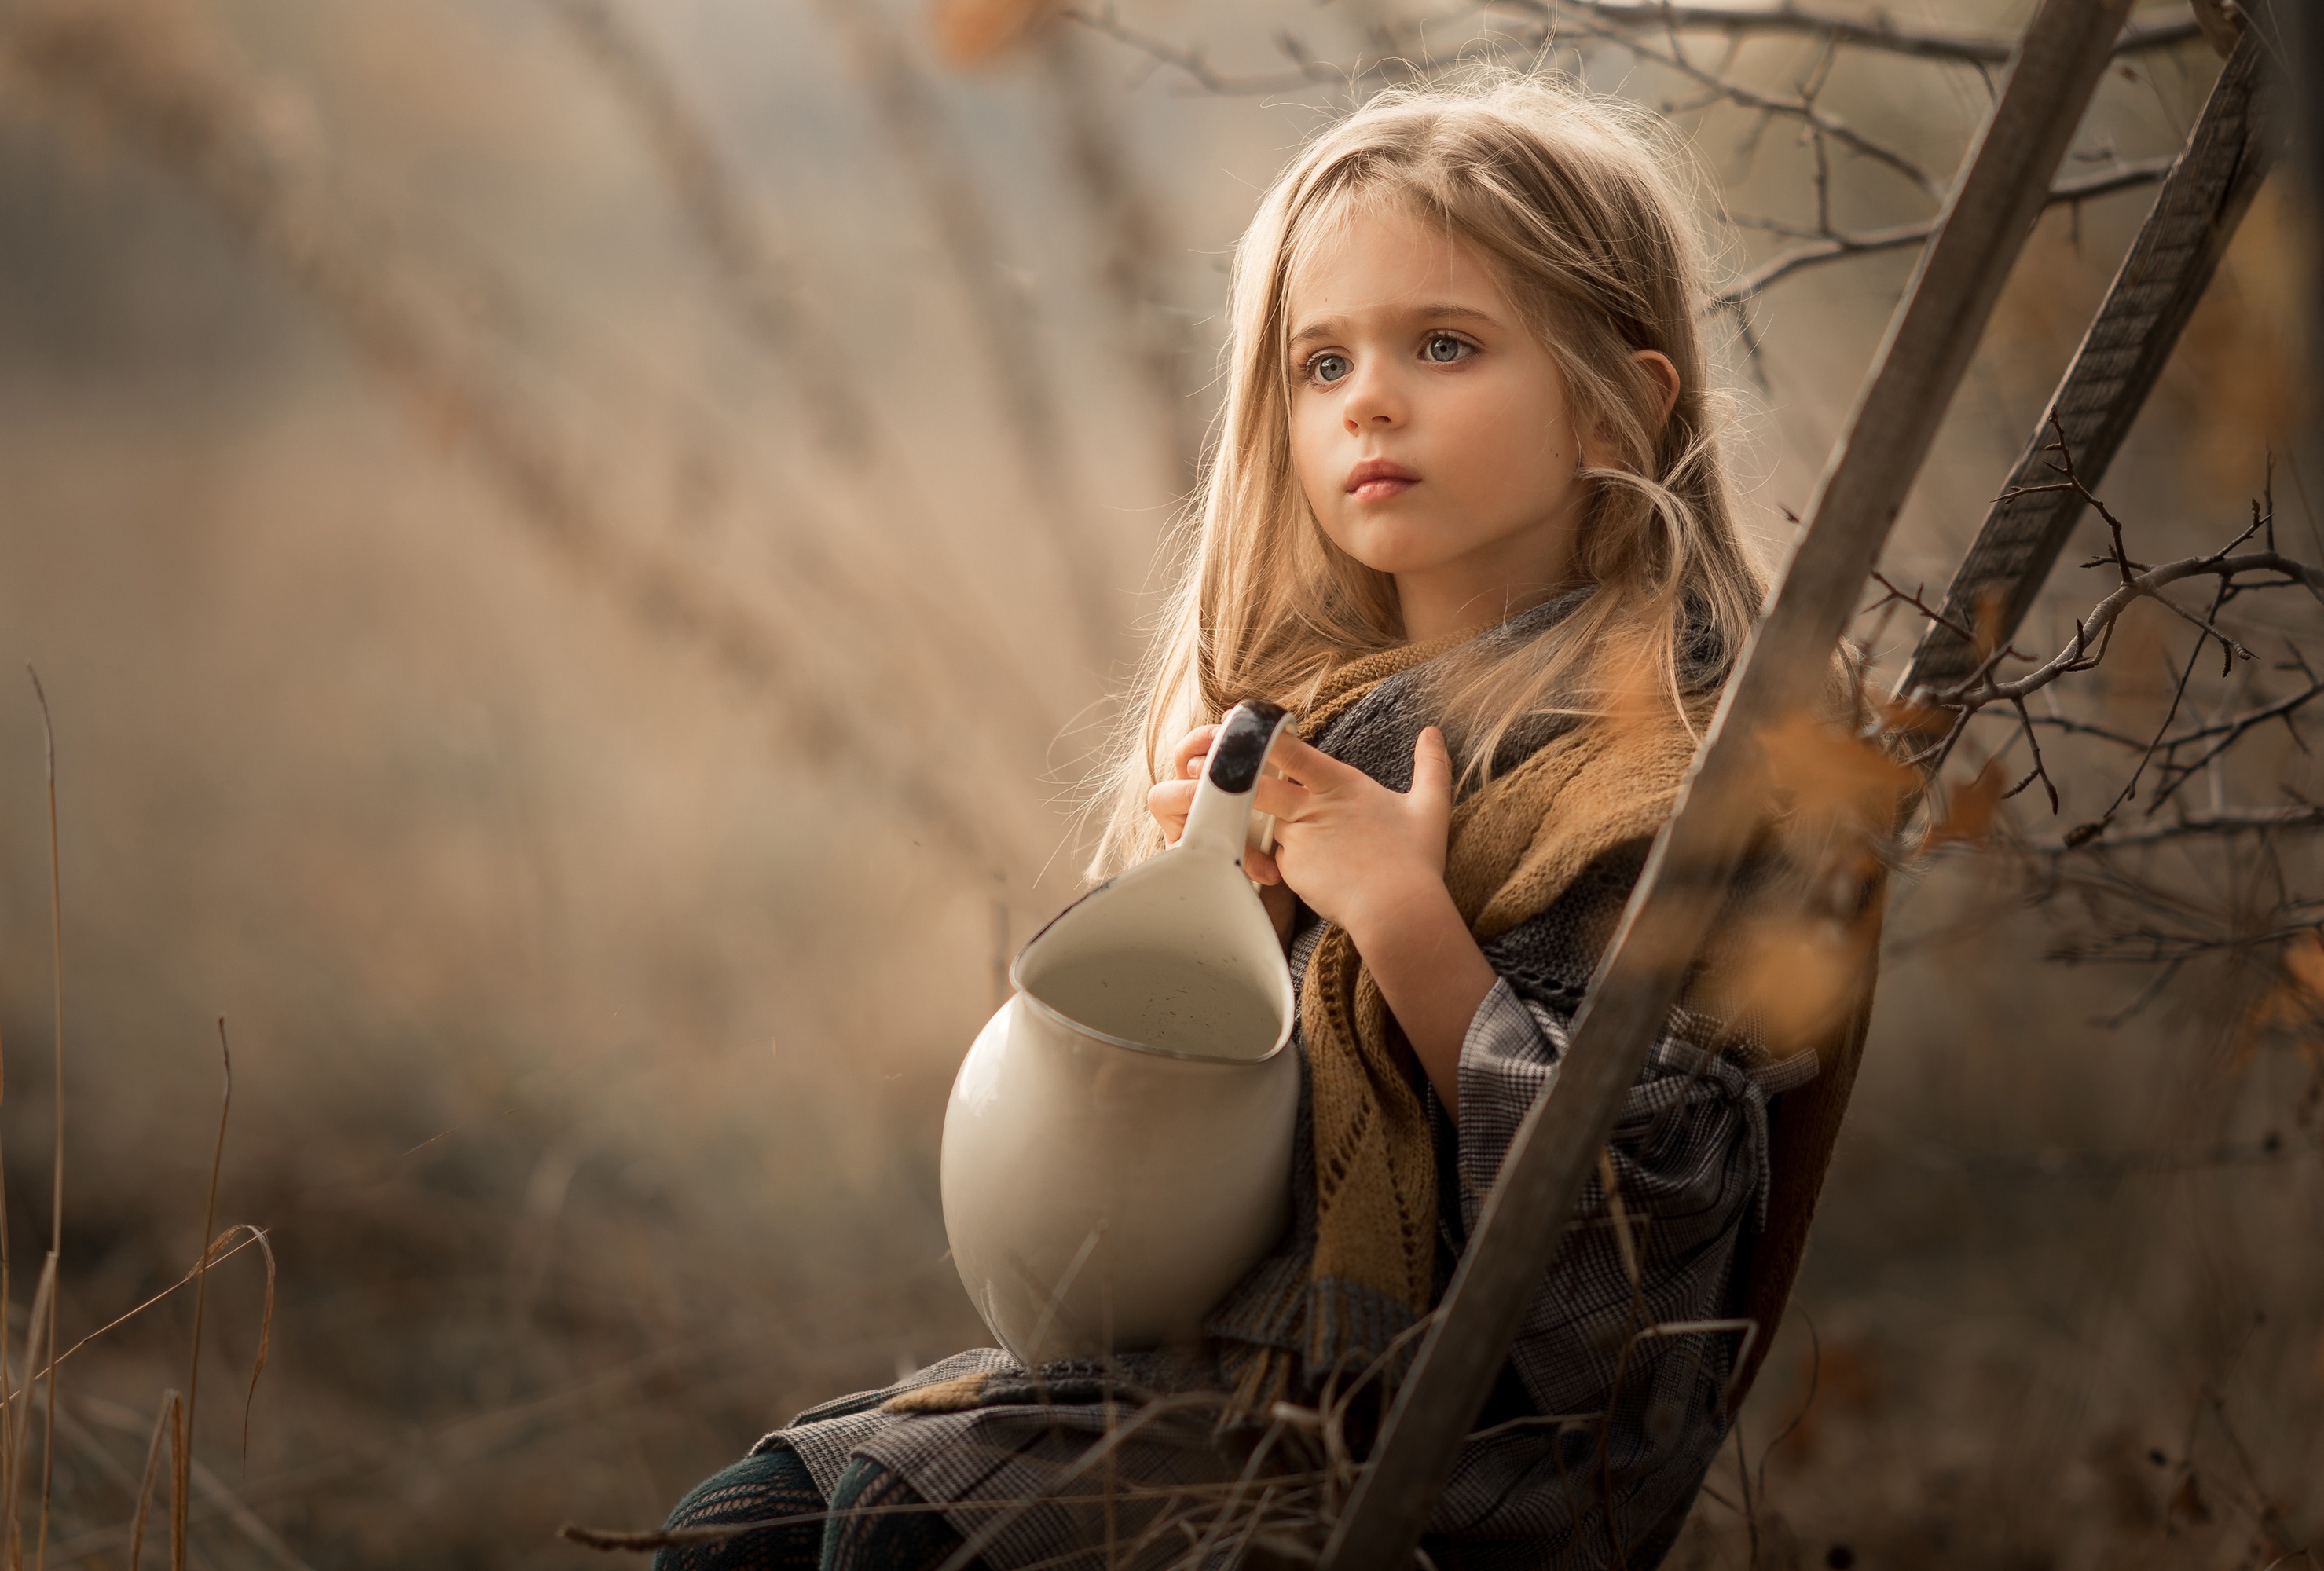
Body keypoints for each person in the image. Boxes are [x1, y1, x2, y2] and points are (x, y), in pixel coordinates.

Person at [658, 70, 1864, 1571]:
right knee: (740, 1531)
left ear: (1618, 404)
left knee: (903, 1539)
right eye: (1320, 362)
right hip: (1205, 1367)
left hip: (1445, 1444)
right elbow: (1135, 1172)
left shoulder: (1665, 780)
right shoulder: (1300, 722)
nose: (1370, 396)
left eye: (1444, 344)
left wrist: (1410, 925)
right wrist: (1212, 911)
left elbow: (1638, 1249)